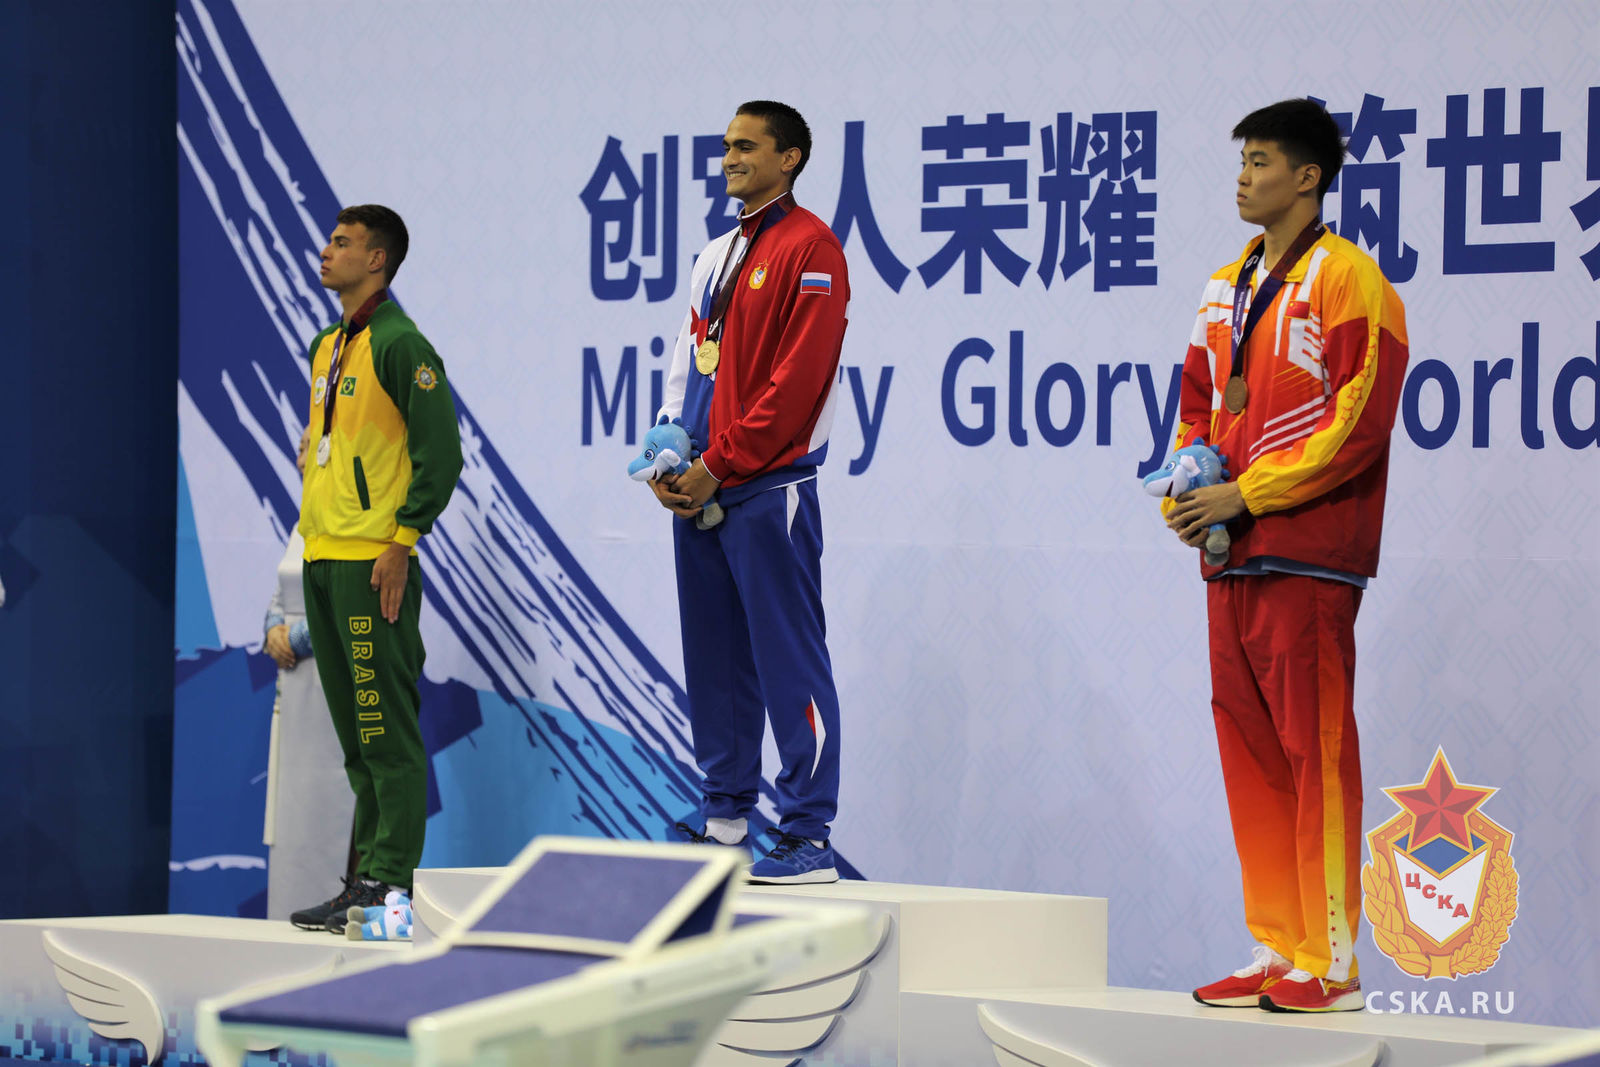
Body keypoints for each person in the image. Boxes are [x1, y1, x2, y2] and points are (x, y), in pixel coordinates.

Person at [1162, 99, 1409, 1013]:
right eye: (1242, 161)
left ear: (1308, 177)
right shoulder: (1222, 286)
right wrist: (1190, 489)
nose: (1243, 176)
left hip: (1307, 552)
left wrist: (1251, 493)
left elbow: (1358, 422)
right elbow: (1196, 403)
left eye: (1260, 161)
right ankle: (1278, 944)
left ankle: (1333, 960)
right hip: (1231, 552)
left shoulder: (1350, 281)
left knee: (1316, 753)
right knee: (1252, 752)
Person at [648, 101, 850, 884]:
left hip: (768, 487)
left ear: (789, 157)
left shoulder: (813, 248)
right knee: (716, 662)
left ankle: (807, 832)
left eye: (746, 146)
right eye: (726, 145)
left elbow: (796, 384)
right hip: (700, 484)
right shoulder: (716, 255)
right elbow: (686, 359)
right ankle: (725, 818)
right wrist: (671, 451)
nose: (730, 157)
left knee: (787, 658)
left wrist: (722, 462)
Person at [289, 204, 462, 933]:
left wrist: (403, 540)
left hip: (371, 563)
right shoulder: (327, 346)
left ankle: (390, 887)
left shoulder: (400, 345)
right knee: (357, 740)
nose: (327, 251)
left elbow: (441, 453)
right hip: (323, 558)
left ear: (378, 259)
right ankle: (363, 882)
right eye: (330, 240)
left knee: (384, 730)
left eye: (343, 242)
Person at [261, 426, 356, 921]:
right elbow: (281, 593)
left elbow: (345, 603)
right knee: (293, 812)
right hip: (293, 691)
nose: (301, 457)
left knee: (329, 805)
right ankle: (286, 914)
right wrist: (272, 629)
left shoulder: (348, 516)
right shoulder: (303, 520)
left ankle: (336, 901)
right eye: (298, 447)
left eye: (310, 446)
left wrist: (294, 640)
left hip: (332, 683)